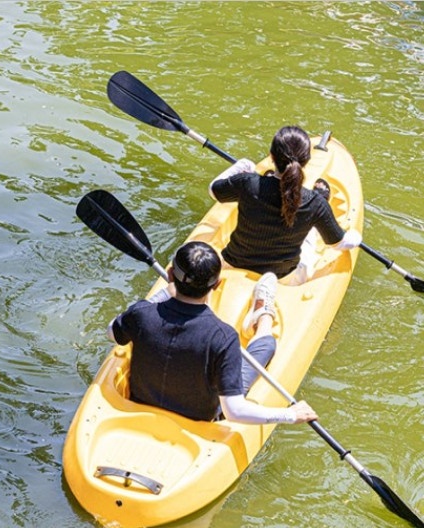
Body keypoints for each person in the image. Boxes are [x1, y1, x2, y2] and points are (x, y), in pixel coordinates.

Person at [107, 240, 318, 425]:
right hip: (202, 418)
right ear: (216, 284)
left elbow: (112, 333)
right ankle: (263, 315)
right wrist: (289, 415)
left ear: (170, 274)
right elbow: (233, 411)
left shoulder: (141, 313)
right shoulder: (224, 337)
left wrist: (161, 295)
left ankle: (262, 311)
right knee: (267, 344)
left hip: (142, 404)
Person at [209, 125, 362, 284]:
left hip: (233, 264)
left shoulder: (247, 183)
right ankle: (320, 195)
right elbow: (341, 243)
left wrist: (242, 165)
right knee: (309, 232)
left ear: (271, 156)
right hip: (284, 277)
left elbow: (214, 190)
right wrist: (356, 236)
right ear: (307, 161)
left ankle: (270, 178)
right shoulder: (314, 204)